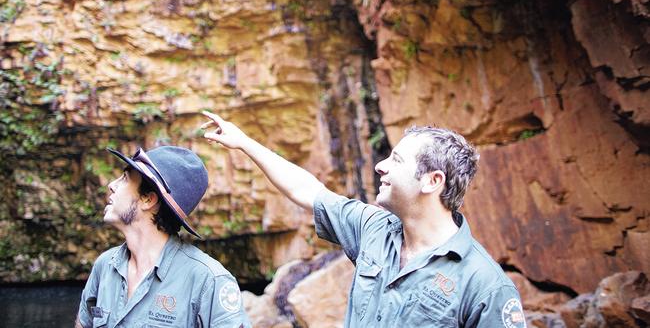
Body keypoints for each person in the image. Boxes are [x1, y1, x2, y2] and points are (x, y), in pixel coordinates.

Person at [201, 110, 526, 327]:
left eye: (396, 160)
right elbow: (307, 189)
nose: (380, 166)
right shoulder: (373, 229)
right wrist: (244, 143)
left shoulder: (484, 284)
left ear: (433, 181)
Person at [75, 146, 251, 328]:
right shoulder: (104, 266)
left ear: (148, 200)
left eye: (125, 179)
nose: (112, 185)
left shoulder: (208, 280)